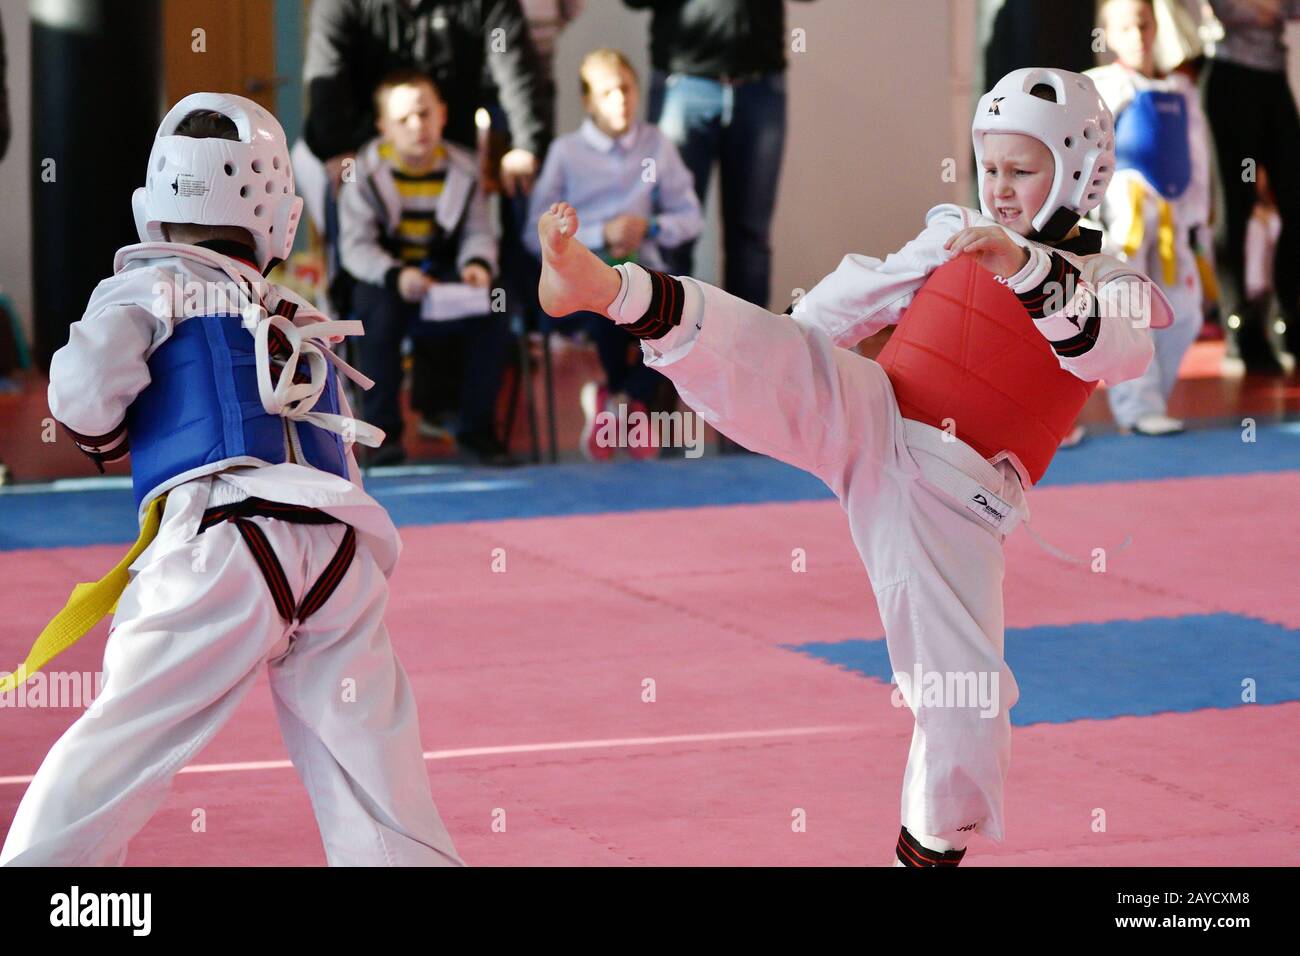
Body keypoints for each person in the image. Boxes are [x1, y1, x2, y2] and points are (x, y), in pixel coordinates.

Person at [534, 68, 1172, 866]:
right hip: (875, 415)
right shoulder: (958, 232)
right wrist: (786, 336)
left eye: (1022, 170)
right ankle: (610, 289)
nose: (1000, 190)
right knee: (781, 358)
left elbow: (1112, 352)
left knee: (964, 704)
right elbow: (855, 296)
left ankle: (928, 853)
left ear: (1079, 173)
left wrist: (1023, 269)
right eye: (992, 168)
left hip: (956, 503)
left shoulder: (1111, 283)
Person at [0, 93, 462, 867]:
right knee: (377, 780)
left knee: (119, 749)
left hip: (220, 546)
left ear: (156, 202)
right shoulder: (293, 309)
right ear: (279, 215)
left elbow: (80, 394)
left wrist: (106, 432)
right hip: (337, 556)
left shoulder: (153, 285)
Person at [525, 48, 701, 460]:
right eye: (607, 93)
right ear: (587, 101)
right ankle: (631, 405)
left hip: (650, 266)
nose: (620, 100)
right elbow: (532, 231)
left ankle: (618, 398)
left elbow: (691, 217)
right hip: (590, 271)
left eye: (626, 89)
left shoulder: (657, 144)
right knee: (609, 294)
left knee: (679, 312)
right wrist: (600, 231)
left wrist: (651, 226)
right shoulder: (566, 153)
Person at [339, 71, 511, 466]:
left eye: (425, 114)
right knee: (377, 315)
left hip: (443, 278)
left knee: (497, 308)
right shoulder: (364, 173)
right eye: (404, 120)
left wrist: (477, 266)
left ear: (443, 115)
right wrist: (396, 275)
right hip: (386, 278)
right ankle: (384, 434)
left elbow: (478, 232)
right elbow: (355, 246)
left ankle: (477, 428)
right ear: (383, 127)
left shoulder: (463, 169)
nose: (418, 126)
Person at [624, 0, 816, 310]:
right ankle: (664, 352)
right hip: (682, 83)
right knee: (671, 232)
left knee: (750, 239)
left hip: (760, 86)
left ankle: (746, 354)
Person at [1088, 0, 1210, 435]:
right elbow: (1086, 154)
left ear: (1155, 27)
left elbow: (1195, 158)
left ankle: (1154, 396)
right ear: (1108, 35)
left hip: (1174, 219)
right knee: (1130, 309)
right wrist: (1088, 223)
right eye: (1124, 28)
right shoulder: (1101, 86)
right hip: (1127, 216)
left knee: (1186, 310)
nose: (1137, 36)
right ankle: (1137, 408)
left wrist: (1200, 218)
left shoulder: (1181, 91)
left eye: (1143, 25)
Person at [1201, 0, 1300, 373]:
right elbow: (1234, 10)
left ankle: (1286, 319)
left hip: (1273, 80)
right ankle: (1239, 325)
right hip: (1230, 79)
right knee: (1235, 207)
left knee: (1294, 202)